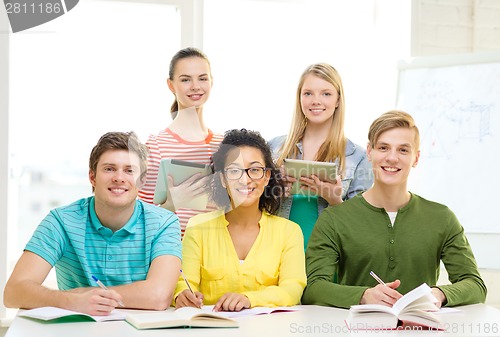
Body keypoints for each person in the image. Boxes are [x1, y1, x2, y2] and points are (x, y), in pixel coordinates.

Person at [302, 110, 487, 309]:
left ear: (416, 158)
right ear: (369, 152)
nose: (392, 158)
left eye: (403, 150)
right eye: (383, 148)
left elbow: (475, 285)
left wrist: (439, 293)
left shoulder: (442, 218)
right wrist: (363, 295)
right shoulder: (334, 218)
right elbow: (313, 289)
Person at [3, 131, 182, 315]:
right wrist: (71, 301)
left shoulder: (164, 223)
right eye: (109, 168)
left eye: (129, 170)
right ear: (92, 177)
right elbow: (14, 292)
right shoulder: (61, 221)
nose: (119, 177)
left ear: (142, 181)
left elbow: (159, 296)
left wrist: (85, 294)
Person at [174, 129, 306, 312]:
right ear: (222, 179)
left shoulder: (289, 232)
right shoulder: (198, 227)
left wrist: (249, 299)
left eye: (254, 170)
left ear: (267, 177)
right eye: (234, 171)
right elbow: (183, 283)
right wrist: (182, 296)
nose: (245, 179)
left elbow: (292, 290)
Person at [269, 63, 373, 249]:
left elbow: (361, 226)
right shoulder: (274, 148)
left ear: (338, 100)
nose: (315, 100)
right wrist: (275, 189)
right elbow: (252, 209)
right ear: (299, 98)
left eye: (326, 93)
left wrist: (335, 200)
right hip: (277, 253)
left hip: (327, 258)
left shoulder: (357, 157)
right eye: (308, 93)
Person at [138, 47, 223, 236]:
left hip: (216, 256)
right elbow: (139, 219)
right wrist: (170, 204)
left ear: (211, 81)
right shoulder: (155, 146)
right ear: (171, 85)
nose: (195, 86)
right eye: (185, 79)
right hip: (174, 255)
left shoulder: (223, 145)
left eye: (202, 78)